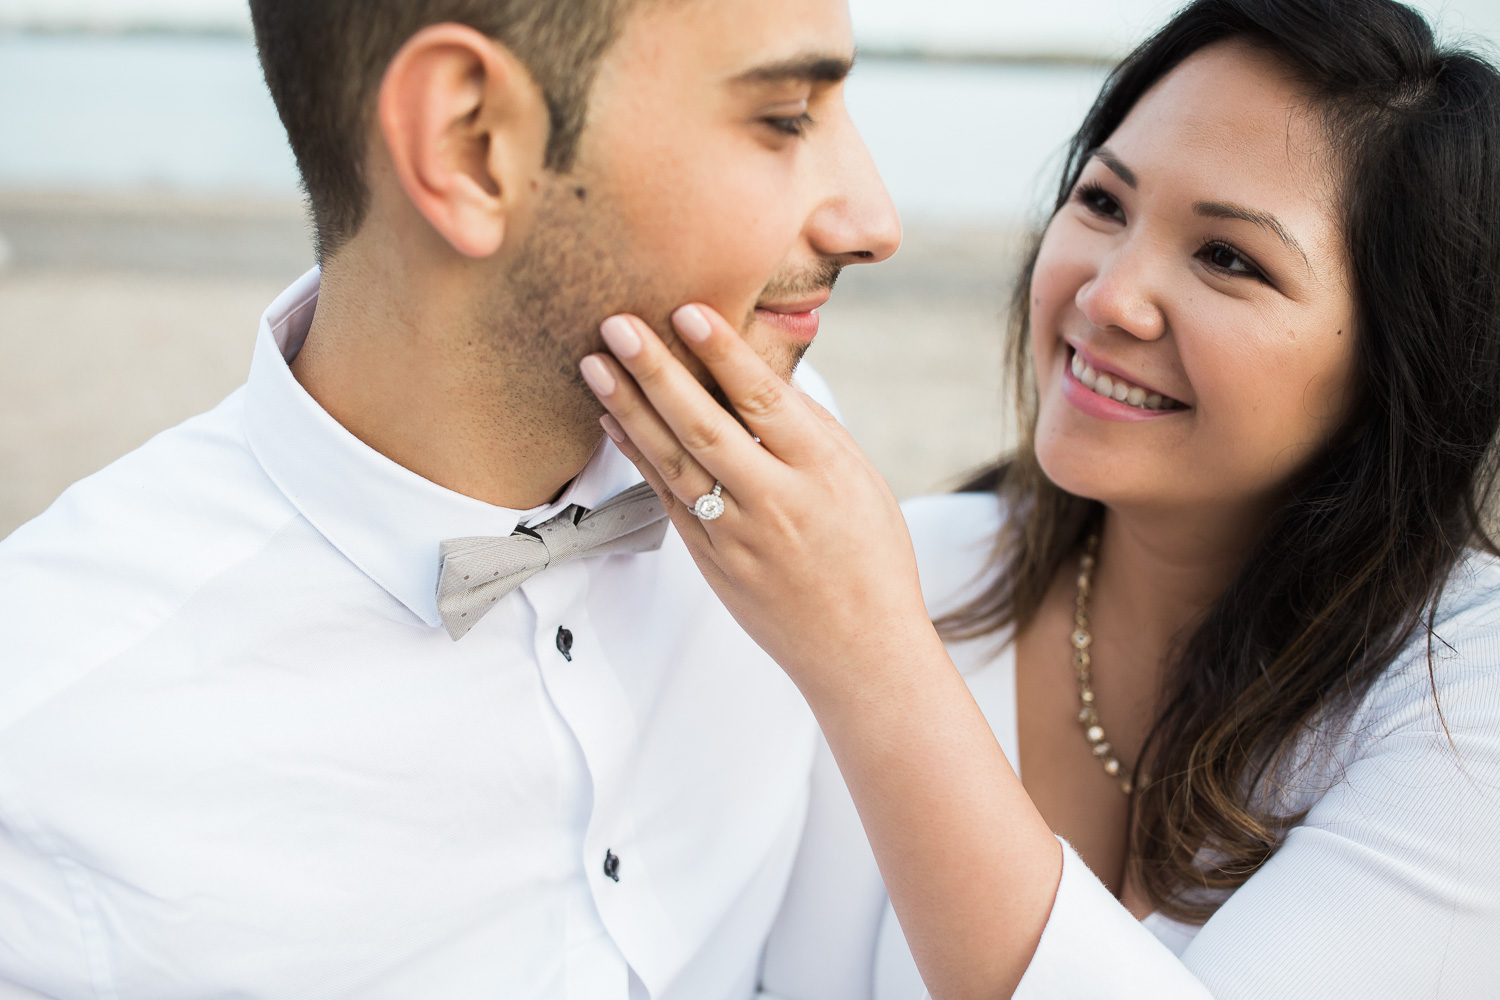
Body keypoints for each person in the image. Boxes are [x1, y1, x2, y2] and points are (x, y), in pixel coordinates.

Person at [581, 0, 1500, 995]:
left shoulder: (1459, 696)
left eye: (1229, 258)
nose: (1106, 295)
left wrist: (871, 659)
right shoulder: (911, 565)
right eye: (1104, 202)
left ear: (1400, 361)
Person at [0, 0, 900, 996]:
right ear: (469, 145)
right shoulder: (43, 754)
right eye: (784, 117)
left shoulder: (794, 465)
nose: (875, 220)